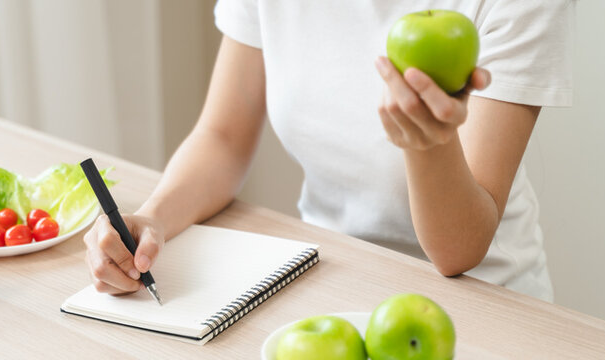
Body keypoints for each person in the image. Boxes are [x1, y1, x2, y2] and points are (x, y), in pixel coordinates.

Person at [83, 1, 573, 302]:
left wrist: (428, 143)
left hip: (484, 302)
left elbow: (458, 253)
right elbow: (222, 138)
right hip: (329, 279)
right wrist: (152, 220)